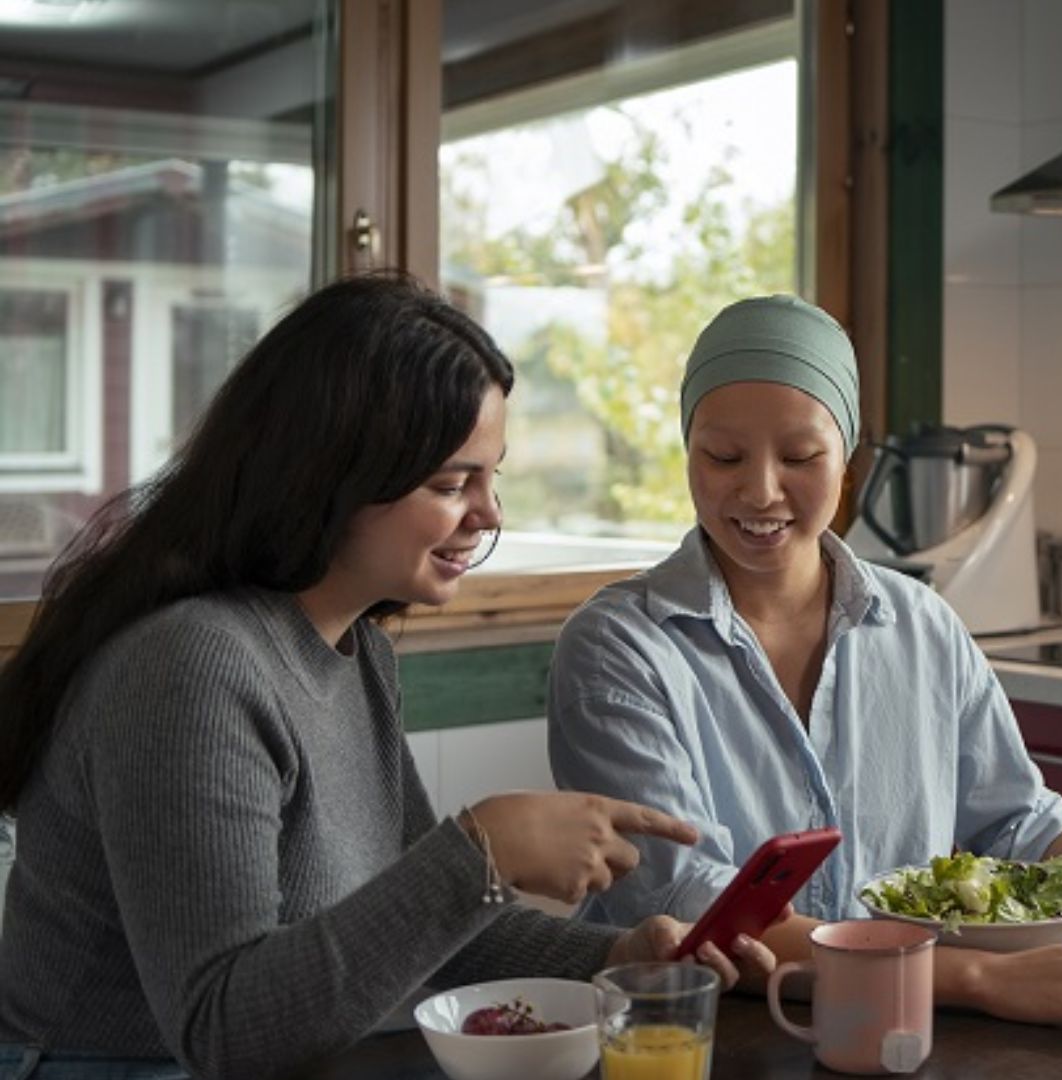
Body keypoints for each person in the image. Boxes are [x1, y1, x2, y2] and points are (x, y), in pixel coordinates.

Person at [0, 275, 774, 1080]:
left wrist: (618, 955)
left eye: (492, 476)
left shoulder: (354, 653)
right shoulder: (190, 668)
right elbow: (224, 1032)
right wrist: (482, 848)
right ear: (330, 476)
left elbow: (423, 919)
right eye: (450, 484)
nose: (489, 513)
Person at [548, 295, 1062, 1028]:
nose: (760, 489)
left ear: (848, 459)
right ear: (687, 449)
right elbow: (698, 911)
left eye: (801, 455)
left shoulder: (919, 624)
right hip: (711, 1033)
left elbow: (1017, 822)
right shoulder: (620, 647)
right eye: (722, 455)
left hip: (904, 1030)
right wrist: (985, 978)